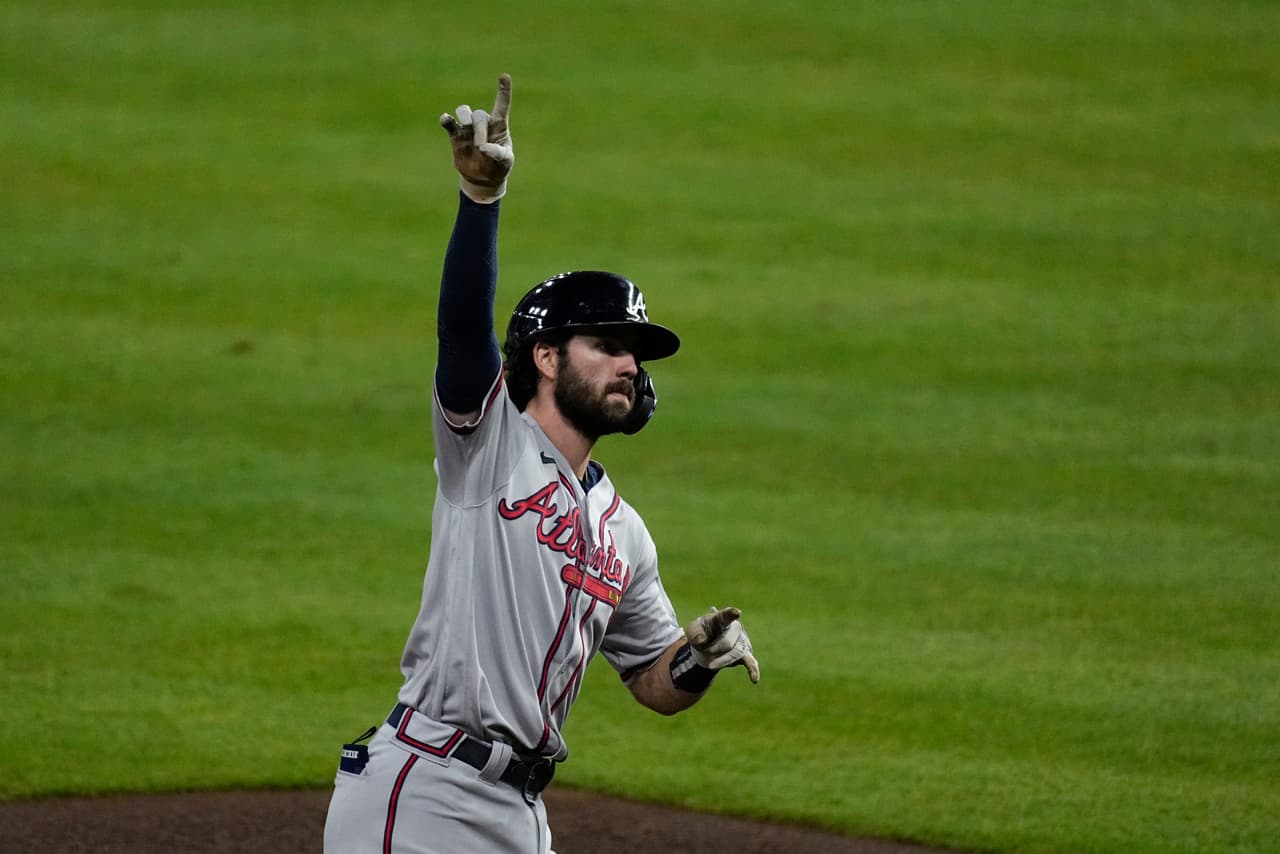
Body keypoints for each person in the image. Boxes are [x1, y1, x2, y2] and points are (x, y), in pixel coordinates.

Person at [322, 73, 760, 854]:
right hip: (425, 791)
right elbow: (463, 333)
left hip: (520, 813)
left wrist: (697, 659)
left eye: (636, 354)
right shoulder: (487, 445)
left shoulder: (624, 532)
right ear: (547, 357)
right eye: (609, 346)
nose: (629, 366)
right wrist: (480, 198)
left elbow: (652, 681)